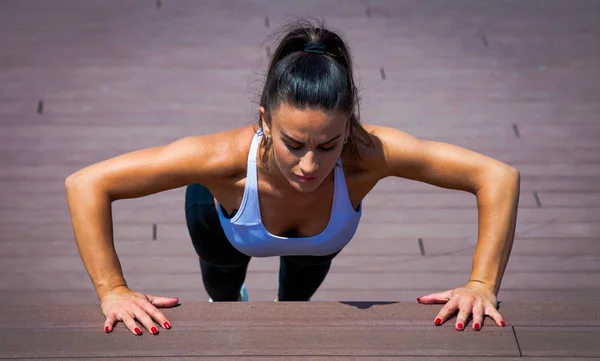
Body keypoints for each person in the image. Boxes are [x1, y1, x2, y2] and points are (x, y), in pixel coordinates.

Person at [65, 19, 520, 336]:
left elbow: (497, 176)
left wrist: (481, 285)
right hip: (225, 220)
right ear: (264, 120)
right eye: (293, 144)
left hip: (317, 242)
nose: (309, 166)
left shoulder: (369, 155)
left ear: (349, 126)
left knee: (296, 301)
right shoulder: (217, 159)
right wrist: (114, 291)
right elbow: (87, 184)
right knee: (223, 292)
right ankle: (231, 295)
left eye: (328, 146)